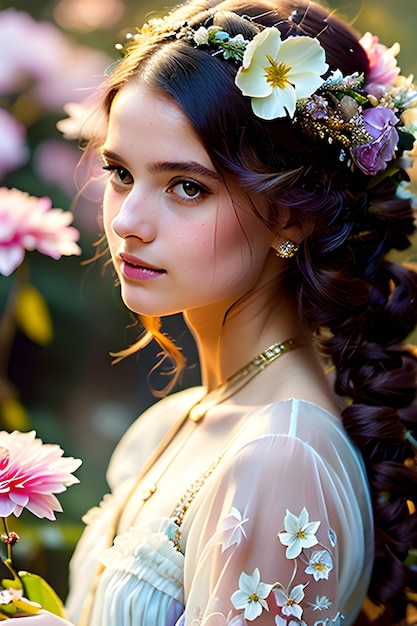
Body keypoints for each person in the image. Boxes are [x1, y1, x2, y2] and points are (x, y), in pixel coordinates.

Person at [21, 0, 417, 624]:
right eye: (121, 173)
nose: (126, 222)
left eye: (187, 187)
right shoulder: (171, 424)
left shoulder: (281, 455)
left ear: (293, 212)